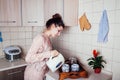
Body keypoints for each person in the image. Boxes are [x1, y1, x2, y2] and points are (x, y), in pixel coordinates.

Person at [24, 13, 65, 80]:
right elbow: (28, 58)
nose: (59, 34)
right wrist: (49, 53)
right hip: (33, 74)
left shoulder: (47, 38)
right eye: (58, 31)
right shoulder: (40, 38)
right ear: (52, 26)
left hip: (41, 73)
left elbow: (44, 57)